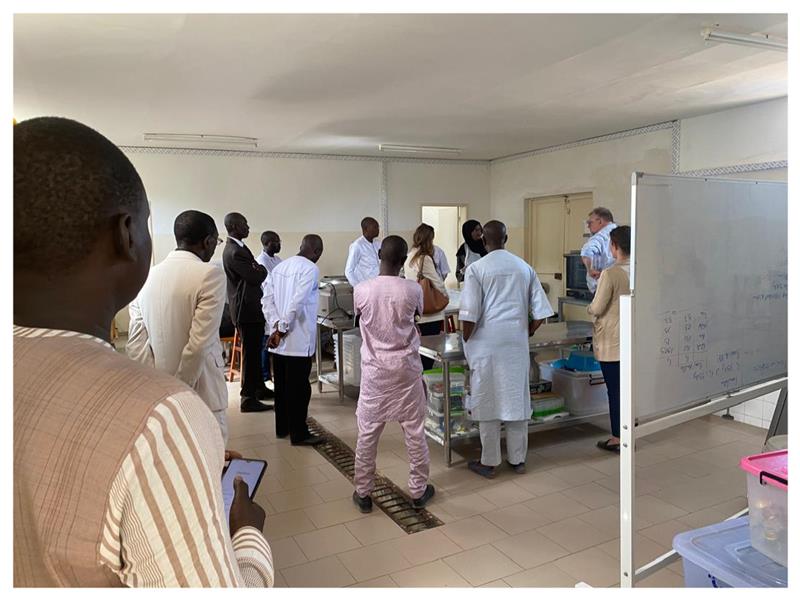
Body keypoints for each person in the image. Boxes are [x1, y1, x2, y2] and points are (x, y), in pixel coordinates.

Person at [13, 116, 273, 587]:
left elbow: (138, 341)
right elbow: (198, 343)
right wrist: (248, 535)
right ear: (127, 233)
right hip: (192, 395)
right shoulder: (162, 422)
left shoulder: (153, 278)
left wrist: (147, 386)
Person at [459, 220, 554, 478]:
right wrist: (526, 331)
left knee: (487, 400)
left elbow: (469, 315)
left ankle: (489, 461)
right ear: (506, 238)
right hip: (515, 344)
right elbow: (541, 313)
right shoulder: (523, 267)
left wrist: (466, 340)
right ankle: (517, 459)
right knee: (516, 400)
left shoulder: (477, 269)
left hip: (486, 345)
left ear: (483, 240)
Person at [127, 210, 231, 442]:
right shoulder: (210, 275)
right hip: (202, 391)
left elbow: (136, 346)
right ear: (208, 241)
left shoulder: (147, 277)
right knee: (212, 456)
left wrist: (160, 389)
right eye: (216, 242)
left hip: (161, 394)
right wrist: (180, 390)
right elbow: (199, 344)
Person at [351, 236, 435, 513]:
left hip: (375, 373)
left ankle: (363, 492)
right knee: (414, 431)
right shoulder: (413, 290)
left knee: (367, 433)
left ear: (379, 256)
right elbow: (415, 318)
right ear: (403, 260)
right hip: (406, 370)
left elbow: (361, 321)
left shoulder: (361, 290)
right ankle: (418, 490)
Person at [263, 235, 326, 446]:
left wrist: (275, 325)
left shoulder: (279, 268)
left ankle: (282, 429)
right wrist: (281, 329)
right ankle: (299, 433)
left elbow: (267, 299)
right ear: (317, 251)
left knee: (281, 388)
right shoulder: (310, 269)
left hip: (278, 342)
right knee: (299, 390)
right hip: (297, 341)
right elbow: (297, 303)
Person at [222, 212, 273, 411]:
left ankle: (259, 388)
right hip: (246, 310)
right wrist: (259, 269)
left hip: (252, 308)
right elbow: (256, 275)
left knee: (255, 351)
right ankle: (248, 397)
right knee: (250, 355)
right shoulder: (234, 251)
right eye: (244, 224)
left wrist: (257, 268)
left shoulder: (240, 248)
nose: (248, 227)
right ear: (235, 226)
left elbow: (256, 269)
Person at [587, 225, 631, 453]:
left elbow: (597, 307)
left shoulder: (611, 273)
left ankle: (617, 437)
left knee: (615, 391)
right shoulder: (639, 270)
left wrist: (589, 309)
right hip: (634, 340)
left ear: (614, 246)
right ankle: (630, 432)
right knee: (629, 390)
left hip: (613, 342)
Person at [404, 223, 449, 370]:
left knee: (419, 350)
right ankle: (425, 381)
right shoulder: (424, 259)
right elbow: (437, 282)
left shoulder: (409, 257)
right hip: (430, 312)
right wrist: (445, 296)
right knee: (429, 354)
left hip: (416, 310)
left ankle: (419, 379)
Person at [256, 230, 282, 388]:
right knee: (266, 344)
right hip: (267, 306)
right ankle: (266, 377)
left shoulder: (278, 260)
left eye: (279, 241)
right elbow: (268, 287)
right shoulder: (261, 262)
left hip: (279, 305)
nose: (279, 244)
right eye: (276, 242)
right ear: (266, 243)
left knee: (275, 341)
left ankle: (276, 375)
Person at [580, 207, 617, 293]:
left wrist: (590, 270)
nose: (588, 226)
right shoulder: (620, 233)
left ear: (600, 221)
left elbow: (586, 252)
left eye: (590, 222)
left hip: (602, 287)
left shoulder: (599, 237)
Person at [345, 216, 381, 287]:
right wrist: (358, 287)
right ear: (365, 229)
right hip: (366, 287)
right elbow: (348, 271)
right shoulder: (357, 245)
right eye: (375, 227)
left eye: (378, 227)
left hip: (378, 285)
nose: (378, 230)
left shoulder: (378, 243)